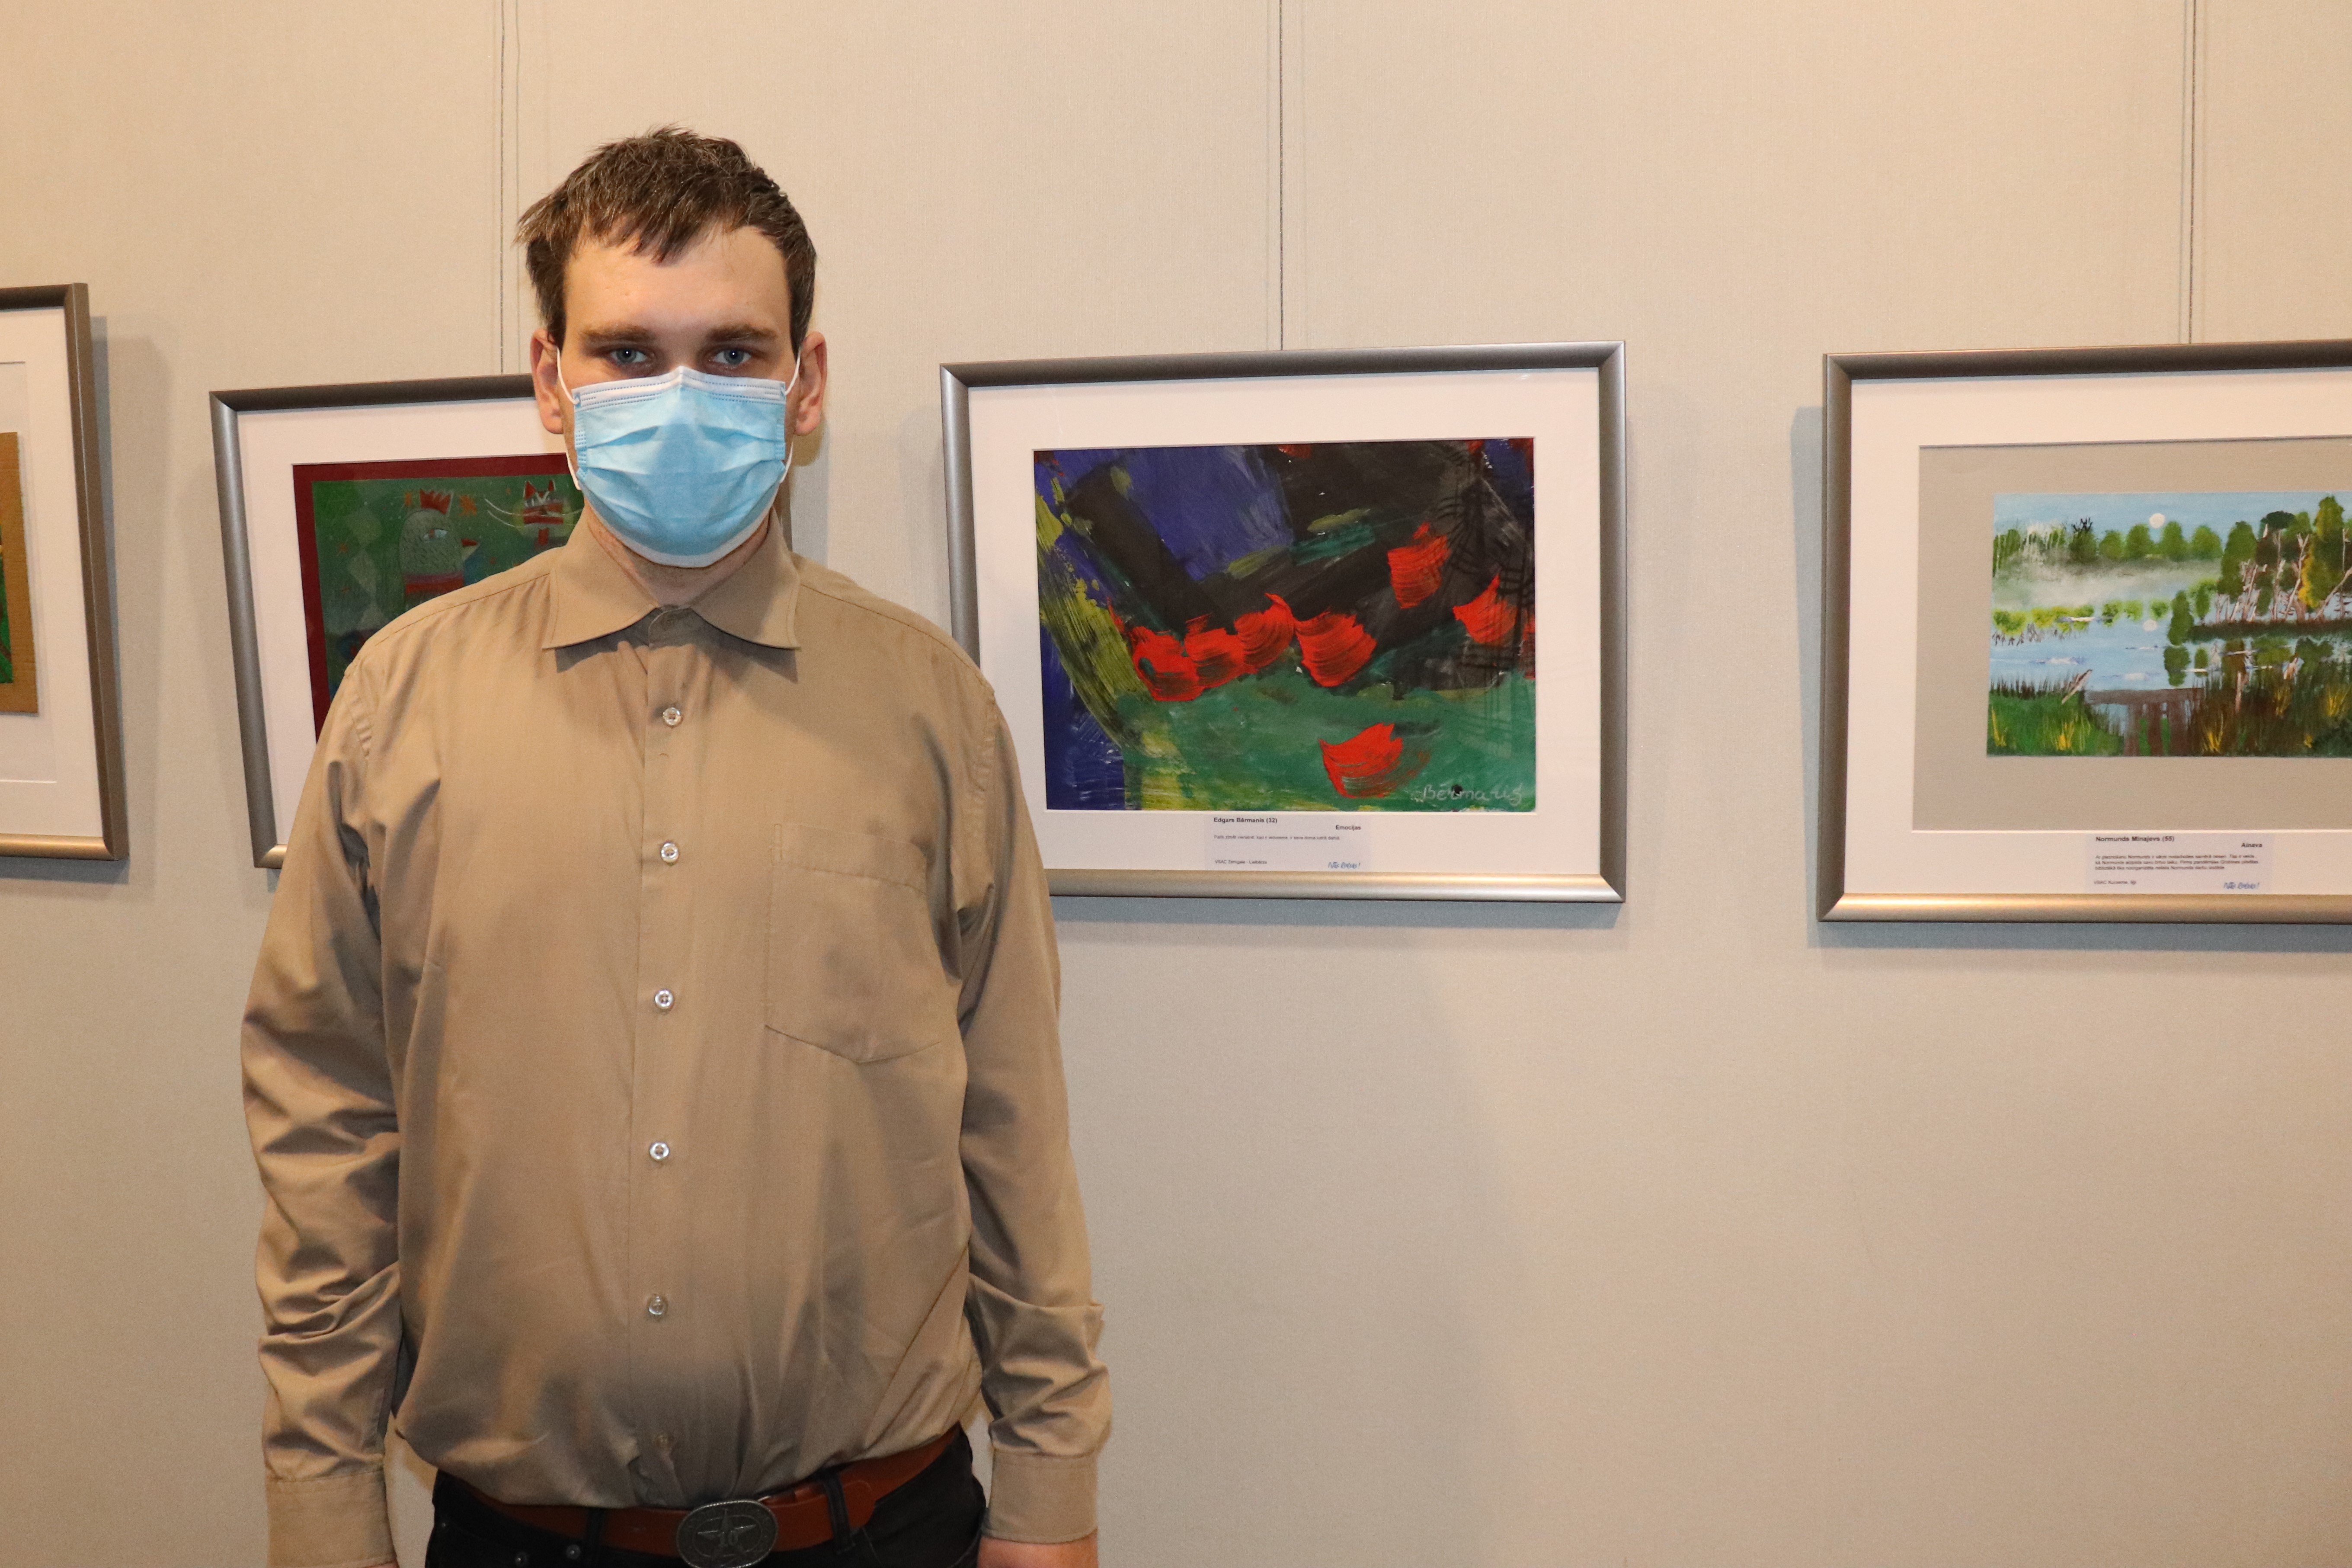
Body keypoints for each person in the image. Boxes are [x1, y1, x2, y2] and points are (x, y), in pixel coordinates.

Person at [241, 128, 1109, 1568]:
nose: (682, 396)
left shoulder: (929, 710)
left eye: (734, 352)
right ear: (552, 380)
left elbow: (1010, 1122)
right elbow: (329, 1122)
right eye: (630, 353)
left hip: (882, 1530)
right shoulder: (402, 704)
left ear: (805, 384)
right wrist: (323, 1504)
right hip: (524, 1541)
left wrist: (1051, 1489)